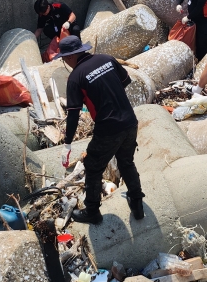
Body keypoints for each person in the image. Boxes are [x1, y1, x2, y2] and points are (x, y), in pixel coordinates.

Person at [58, 35, 144, 225]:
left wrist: (67, 144)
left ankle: (92, 212)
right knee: (126, 162)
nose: (65, 62)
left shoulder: (75, 78)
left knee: (93, 166)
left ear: (71, 57)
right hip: (130, 121)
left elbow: (73, 114)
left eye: (64, 58)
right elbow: (125, 81)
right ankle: (137, 205)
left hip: (108, 128)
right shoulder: (106, 59)